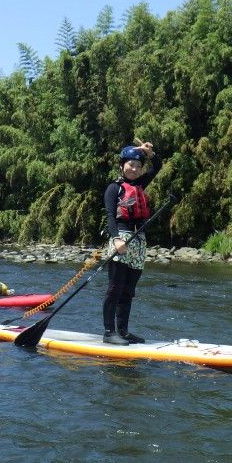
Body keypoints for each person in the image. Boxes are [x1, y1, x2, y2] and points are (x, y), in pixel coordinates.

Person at [102, 142, 163, 345]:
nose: (135, 169)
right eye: (131, 165)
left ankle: (124, 331)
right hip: (121, 239)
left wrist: (150, 153)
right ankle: (109, 332)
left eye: (138, 165)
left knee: (129, 290)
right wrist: (116, 239)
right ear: (122, 166)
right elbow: (110, 216)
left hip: (138, 242)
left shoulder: (139, 185)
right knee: (115, 288)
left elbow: (158, 167)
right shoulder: (114, 188)